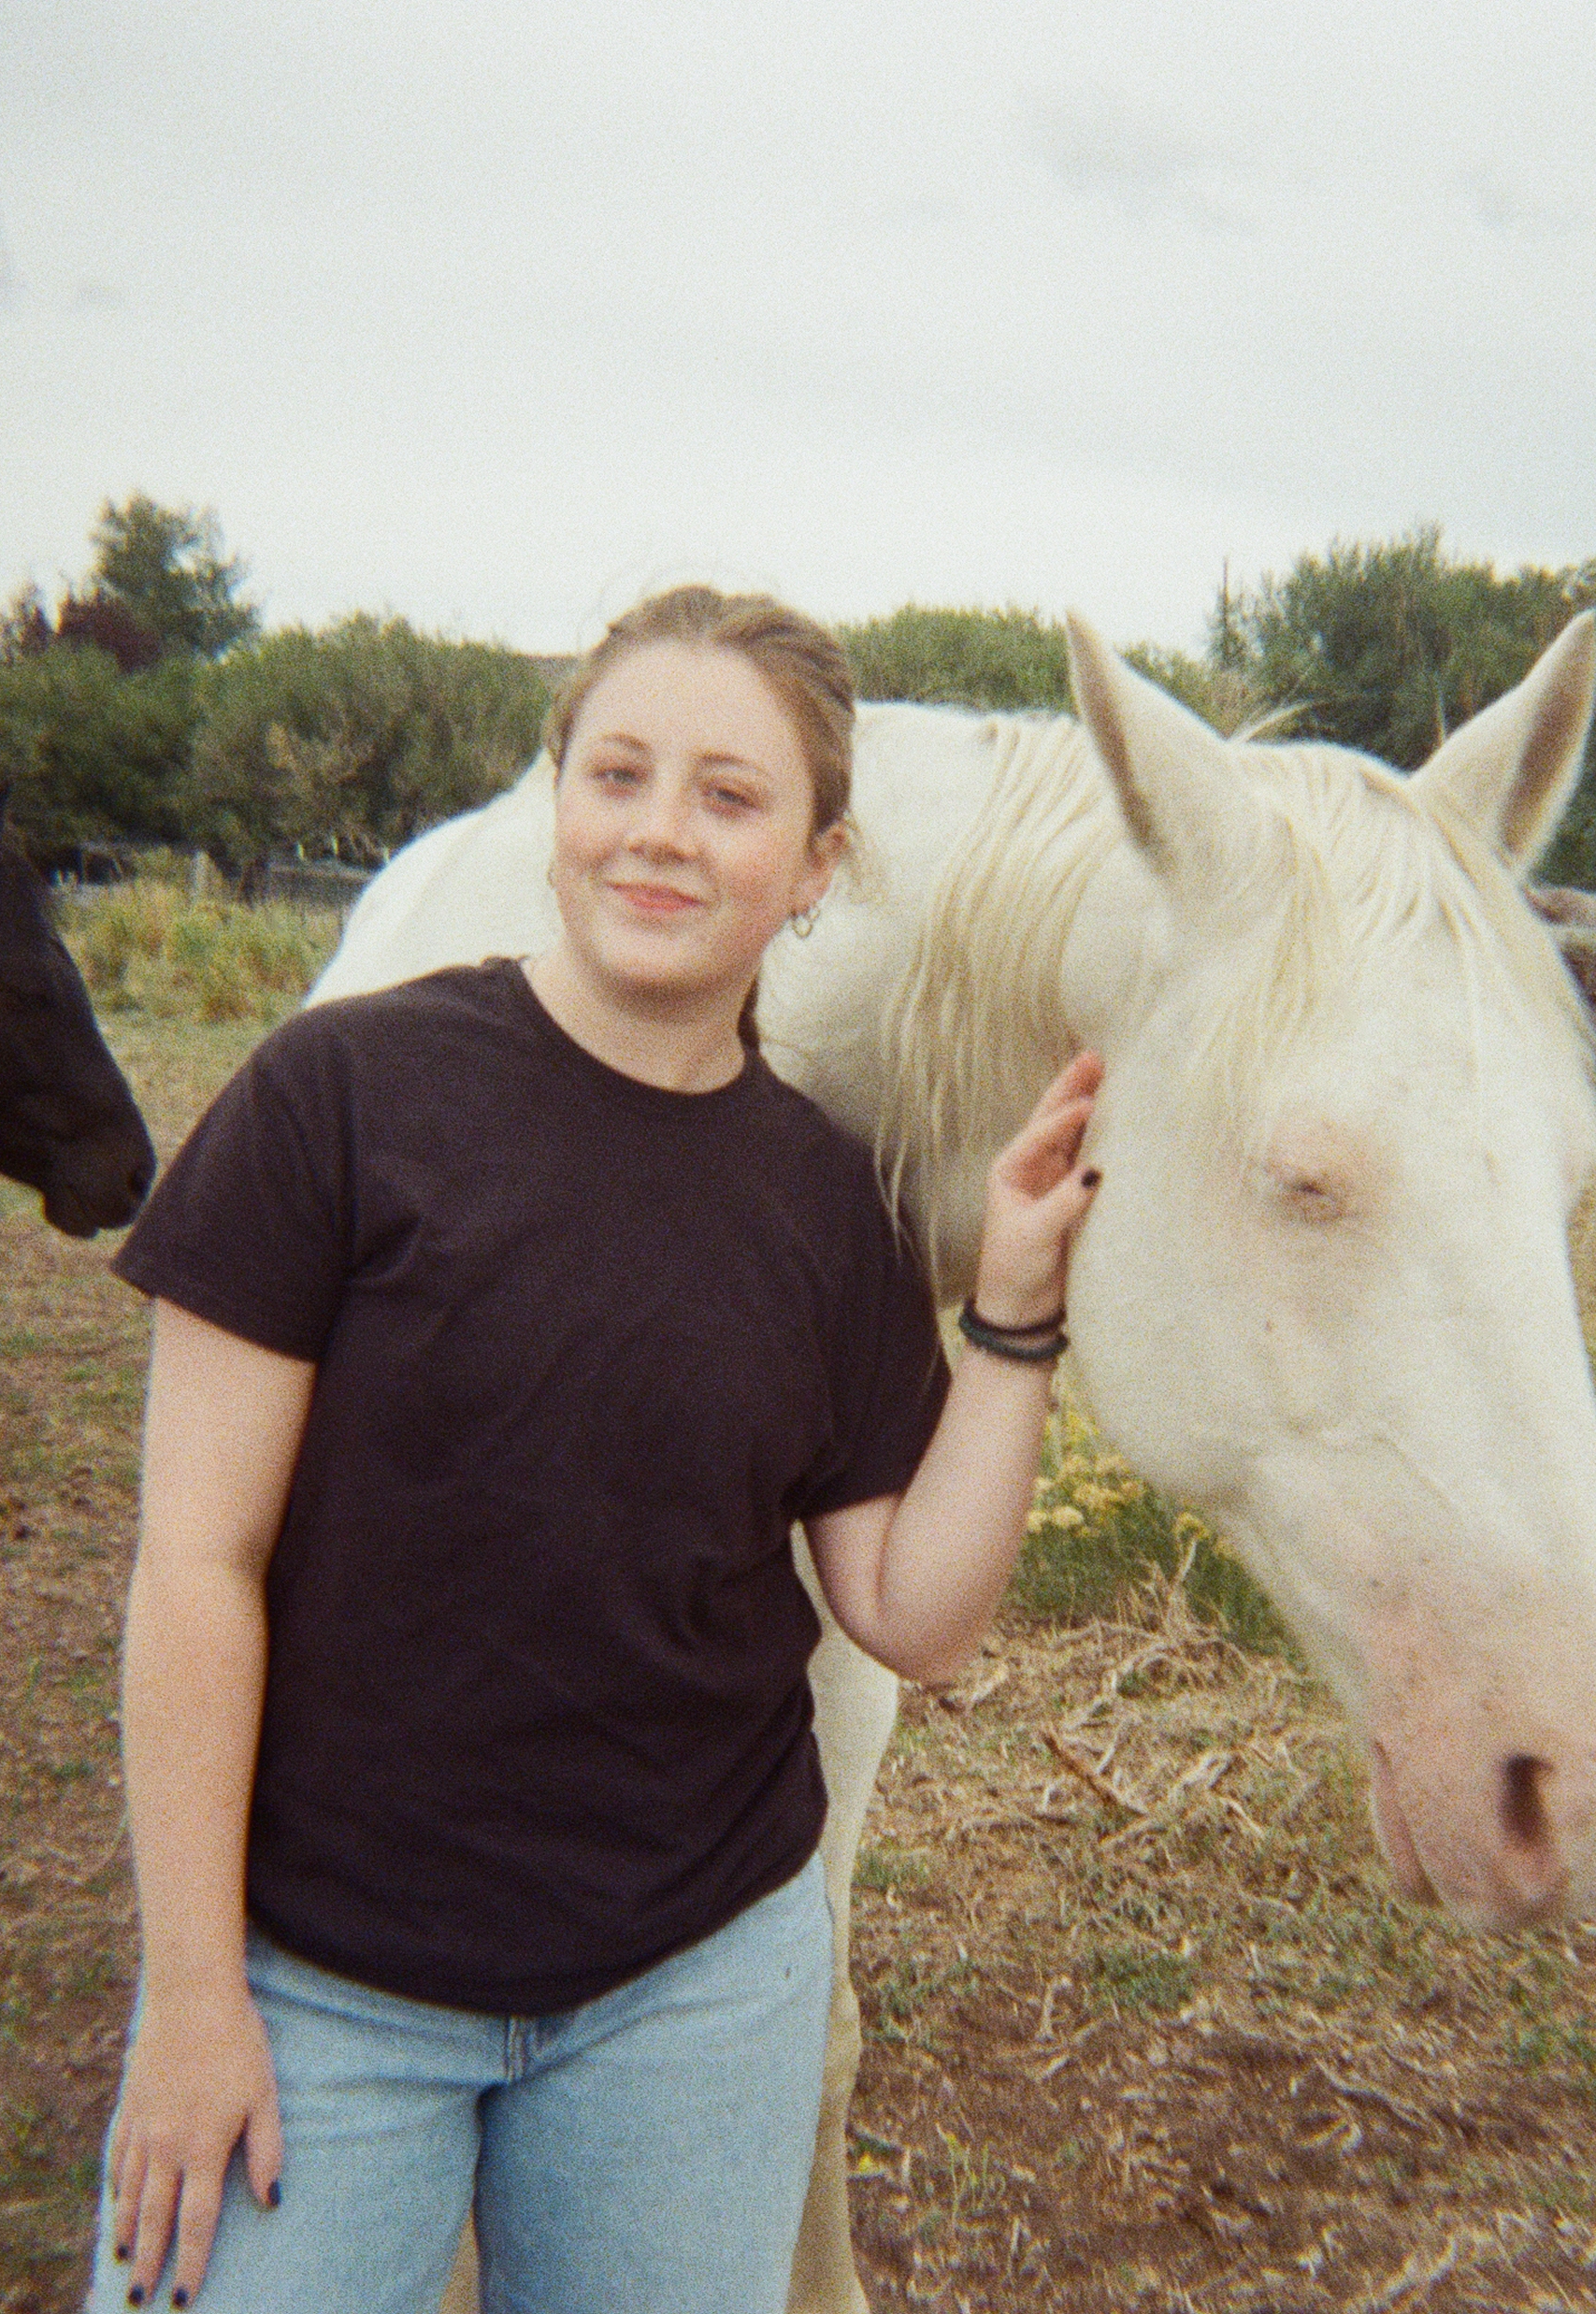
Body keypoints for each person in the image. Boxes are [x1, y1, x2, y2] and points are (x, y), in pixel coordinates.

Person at [87, 583, 1102, 2313]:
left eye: (730, 797)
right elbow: (197, 1567)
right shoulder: (332, 1099)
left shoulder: (825, 1205)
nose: (660, 834)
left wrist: (1010, 1315)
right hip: (327, 1981)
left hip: (695, 1995)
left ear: (817, 865)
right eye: (618, 774)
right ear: (555, 807)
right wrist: (194, 1992)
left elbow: (912, 1616)